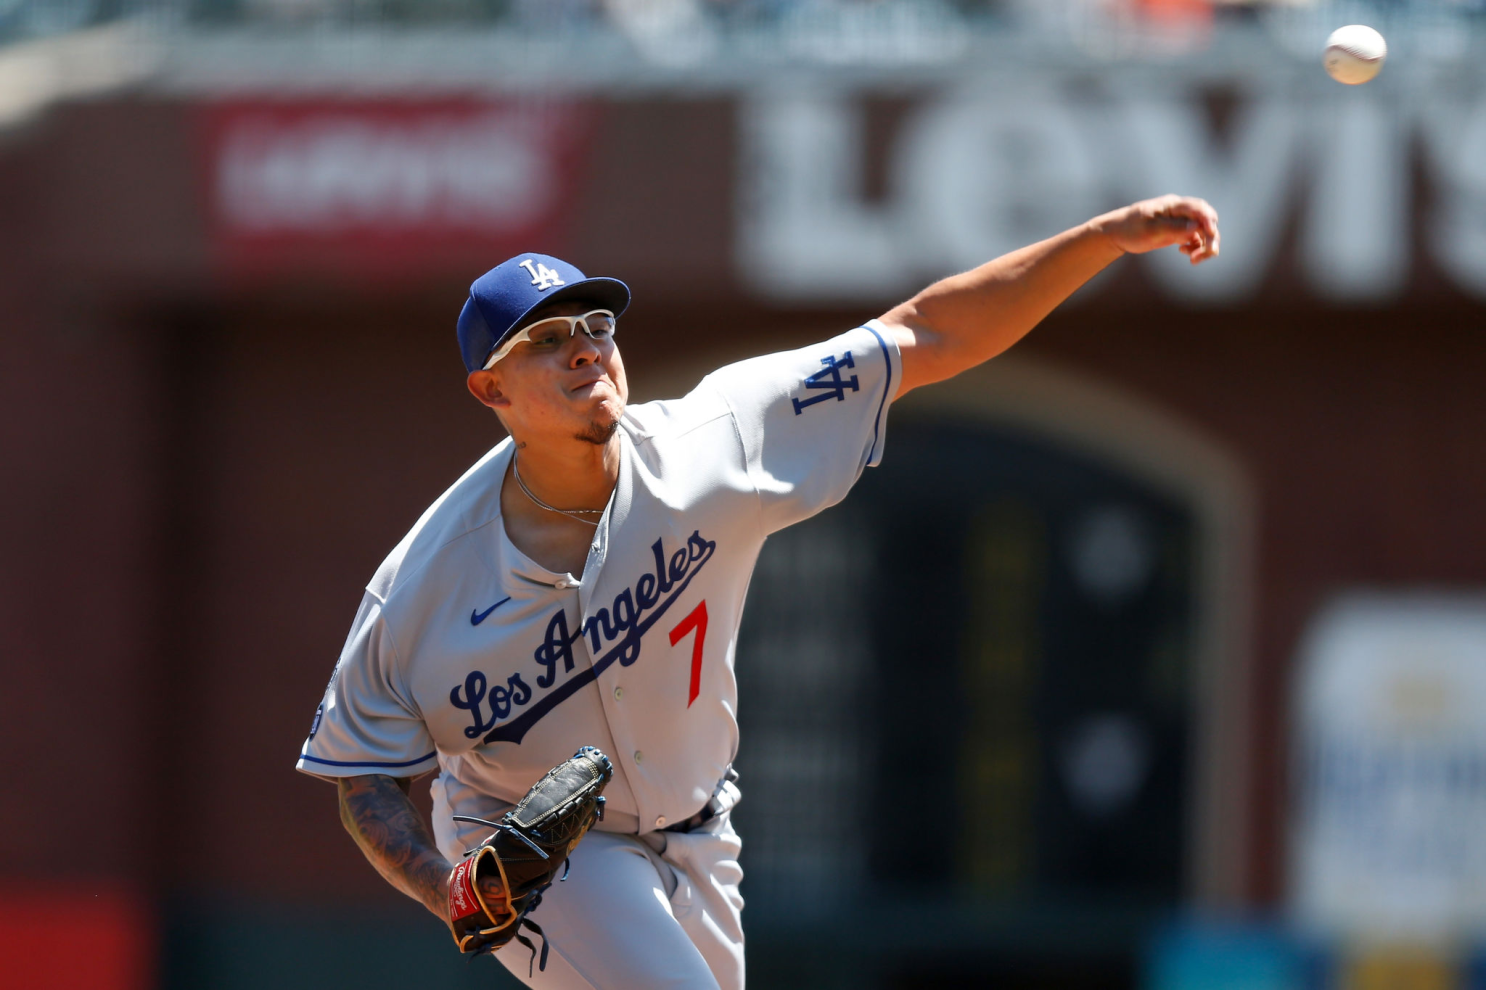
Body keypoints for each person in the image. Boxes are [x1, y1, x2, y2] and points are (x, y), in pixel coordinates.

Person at [296, 195, 1220, 990]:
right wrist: (442, 886)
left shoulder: (717, 438)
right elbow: (360, 771)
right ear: (489, 388)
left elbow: (922, 333)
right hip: (537, 853)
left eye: (596, 327)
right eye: (547, 340)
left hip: (702, 828)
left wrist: (1101, 238)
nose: (584, 351)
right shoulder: (422, 582)